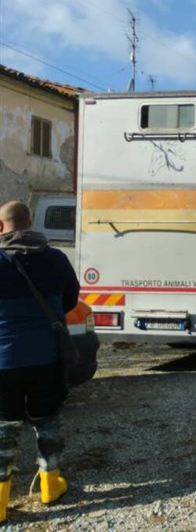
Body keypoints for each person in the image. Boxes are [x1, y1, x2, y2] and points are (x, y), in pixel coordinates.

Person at [0, 201, 79, 523]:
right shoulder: (56, 258)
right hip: (47, 358)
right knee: (48, 422)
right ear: (30, 222)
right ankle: (50, 484)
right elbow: (71, 299)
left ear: (2, 225)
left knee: (4, 428)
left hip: (3, 362)